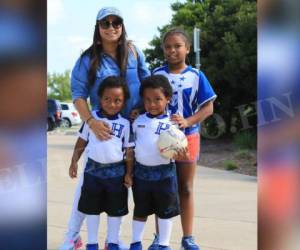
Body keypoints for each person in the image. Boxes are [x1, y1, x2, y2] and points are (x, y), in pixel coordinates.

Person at [60, 6, 150, 249]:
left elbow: (148, 83)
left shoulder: (134, 52)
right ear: (97, 28)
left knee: (123, 187)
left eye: (116, 23)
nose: (111, 28)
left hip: (132, 130)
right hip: (101, 131)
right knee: (86, 188)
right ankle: (73, 235)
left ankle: (115, 239)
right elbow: (78, 95)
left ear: (122, 26)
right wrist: (91, 122)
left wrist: (141, 109)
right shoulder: (87, 59)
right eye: (105, 23)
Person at [151, 28, 217, 250]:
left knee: (185, 188)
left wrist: (188, 121)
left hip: (188, 137)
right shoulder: (157, 74)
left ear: (187, 48)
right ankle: (160, 238)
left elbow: (208, 107)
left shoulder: (197, 76)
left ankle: (187, 237)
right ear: (163, 50)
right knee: (162, 188)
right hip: (160, 137)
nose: (172, 50)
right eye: (168, 46)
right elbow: (148, 102)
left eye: (177, 46)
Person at [76, 76, 134, 250]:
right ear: (100, 99)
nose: (111, 104)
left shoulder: (125, 124)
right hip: (93, 172)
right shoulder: (91, 120)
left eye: (117, 100)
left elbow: (129, 151)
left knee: (115, 210)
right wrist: (73, 162)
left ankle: (113, 242)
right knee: (92, 209)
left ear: (123, 103)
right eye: (107, 99)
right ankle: (92, 243)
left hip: (116, 174)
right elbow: (81, 141)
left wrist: (129, 173)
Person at [129, 75, 180, 250]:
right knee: (140, 210)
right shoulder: (138, 122)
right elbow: (132, 146)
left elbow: (180, 148)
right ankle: (136, 242)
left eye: (158, 99)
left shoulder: (173, 123)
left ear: (168, 99)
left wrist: (180, 150)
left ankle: (164, 244)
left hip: (165, 173)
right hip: (141, 174)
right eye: (148, 100)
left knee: (165, 211)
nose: (152, 104)